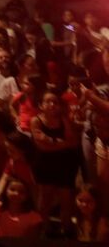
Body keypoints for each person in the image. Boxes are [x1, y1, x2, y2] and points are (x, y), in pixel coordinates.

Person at [31, 92, 81, 235]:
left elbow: (74, 142)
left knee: (66, 197)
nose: (52, 105)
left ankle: (66, 228)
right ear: (41, 105)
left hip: (64, 164)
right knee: (45, 196)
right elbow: (42, 146)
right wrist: (61, 143)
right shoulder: (36, 121)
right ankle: (44, 226)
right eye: (48, 102)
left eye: (55, 102)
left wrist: (52, 141)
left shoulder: (64, 120)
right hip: (45, 163)